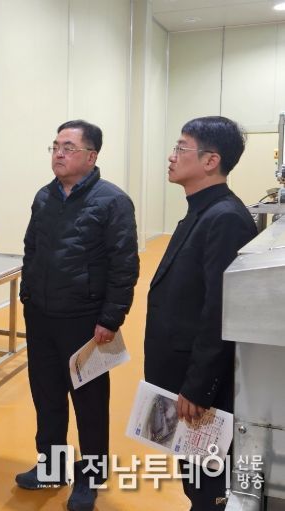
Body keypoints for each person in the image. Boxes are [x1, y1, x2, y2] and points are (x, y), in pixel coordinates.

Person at [17, 120, 139, 511]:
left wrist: (111, 318)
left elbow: (124, 265)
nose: (58, 153)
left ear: (91, 156)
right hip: (41, 316)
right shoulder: (44, 196)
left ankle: (91, 475)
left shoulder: (113, 201)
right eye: (55, 146)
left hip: (85, 320)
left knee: (89, 403)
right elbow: (31, 248)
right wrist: (27, 294)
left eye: (68, 147)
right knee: (47, 395)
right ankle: (52, 466)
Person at [144, 116, 257, 510]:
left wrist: (198, 387)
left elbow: (220, 311)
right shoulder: (201, 210)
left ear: (211, 161)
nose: (171, 156)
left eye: (181, 148)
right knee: (195, 478)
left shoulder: (225, 218)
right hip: (182, 376)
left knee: (209, 485)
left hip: (197, 387)